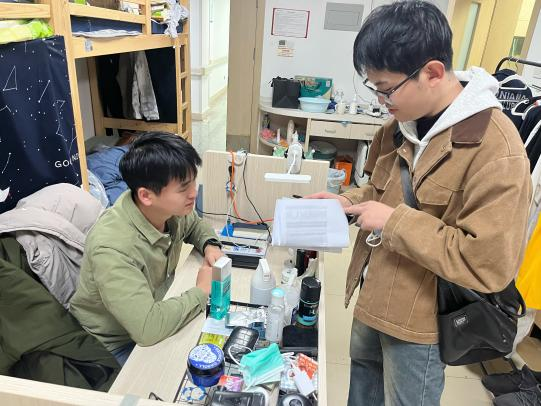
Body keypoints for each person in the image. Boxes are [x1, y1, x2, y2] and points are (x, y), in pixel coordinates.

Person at [307, 1, 532, 404]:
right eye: (373, 87)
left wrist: (392, 222)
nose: (381, 99)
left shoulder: (496, 149)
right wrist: (345, 201)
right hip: (372, 295)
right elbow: (377, 190)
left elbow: (487, 263)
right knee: (361, 392)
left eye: (386, 88)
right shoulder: (398, 125)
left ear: (432, 72)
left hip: (419, 325)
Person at [70, 132, 223, 366]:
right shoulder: (112, 247)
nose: (194, 193)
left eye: (193, 181)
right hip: (112, 345)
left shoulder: (166, 209)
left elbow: (194, 224)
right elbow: (147, 329)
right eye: (183, 188)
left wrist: (210, 245)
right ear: (146, 195)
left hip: (152, 313)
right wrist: (202, 290)